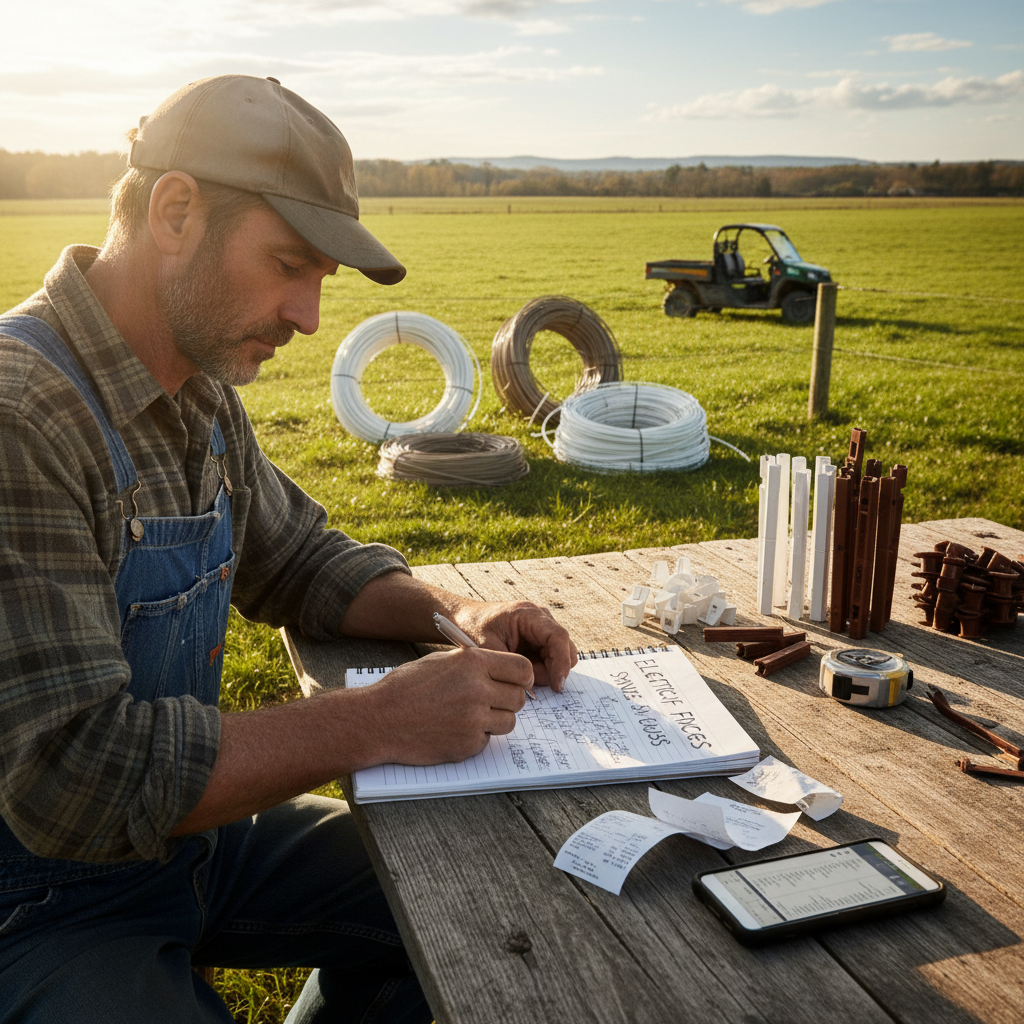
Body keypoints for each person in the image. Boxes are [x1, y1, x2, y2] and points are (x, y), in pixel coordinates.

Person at [0, 74, 577, 1023]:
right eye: (288, 264)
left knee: (479, 893)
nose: (309, 316)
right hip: (41, 904)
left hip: (192, 843)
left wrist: (459, 617)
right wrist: (374, 721)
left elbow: (301, 559)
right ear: (174, 211)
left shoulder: (195, 389)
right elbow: (74, 777)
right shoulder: (25, 417)